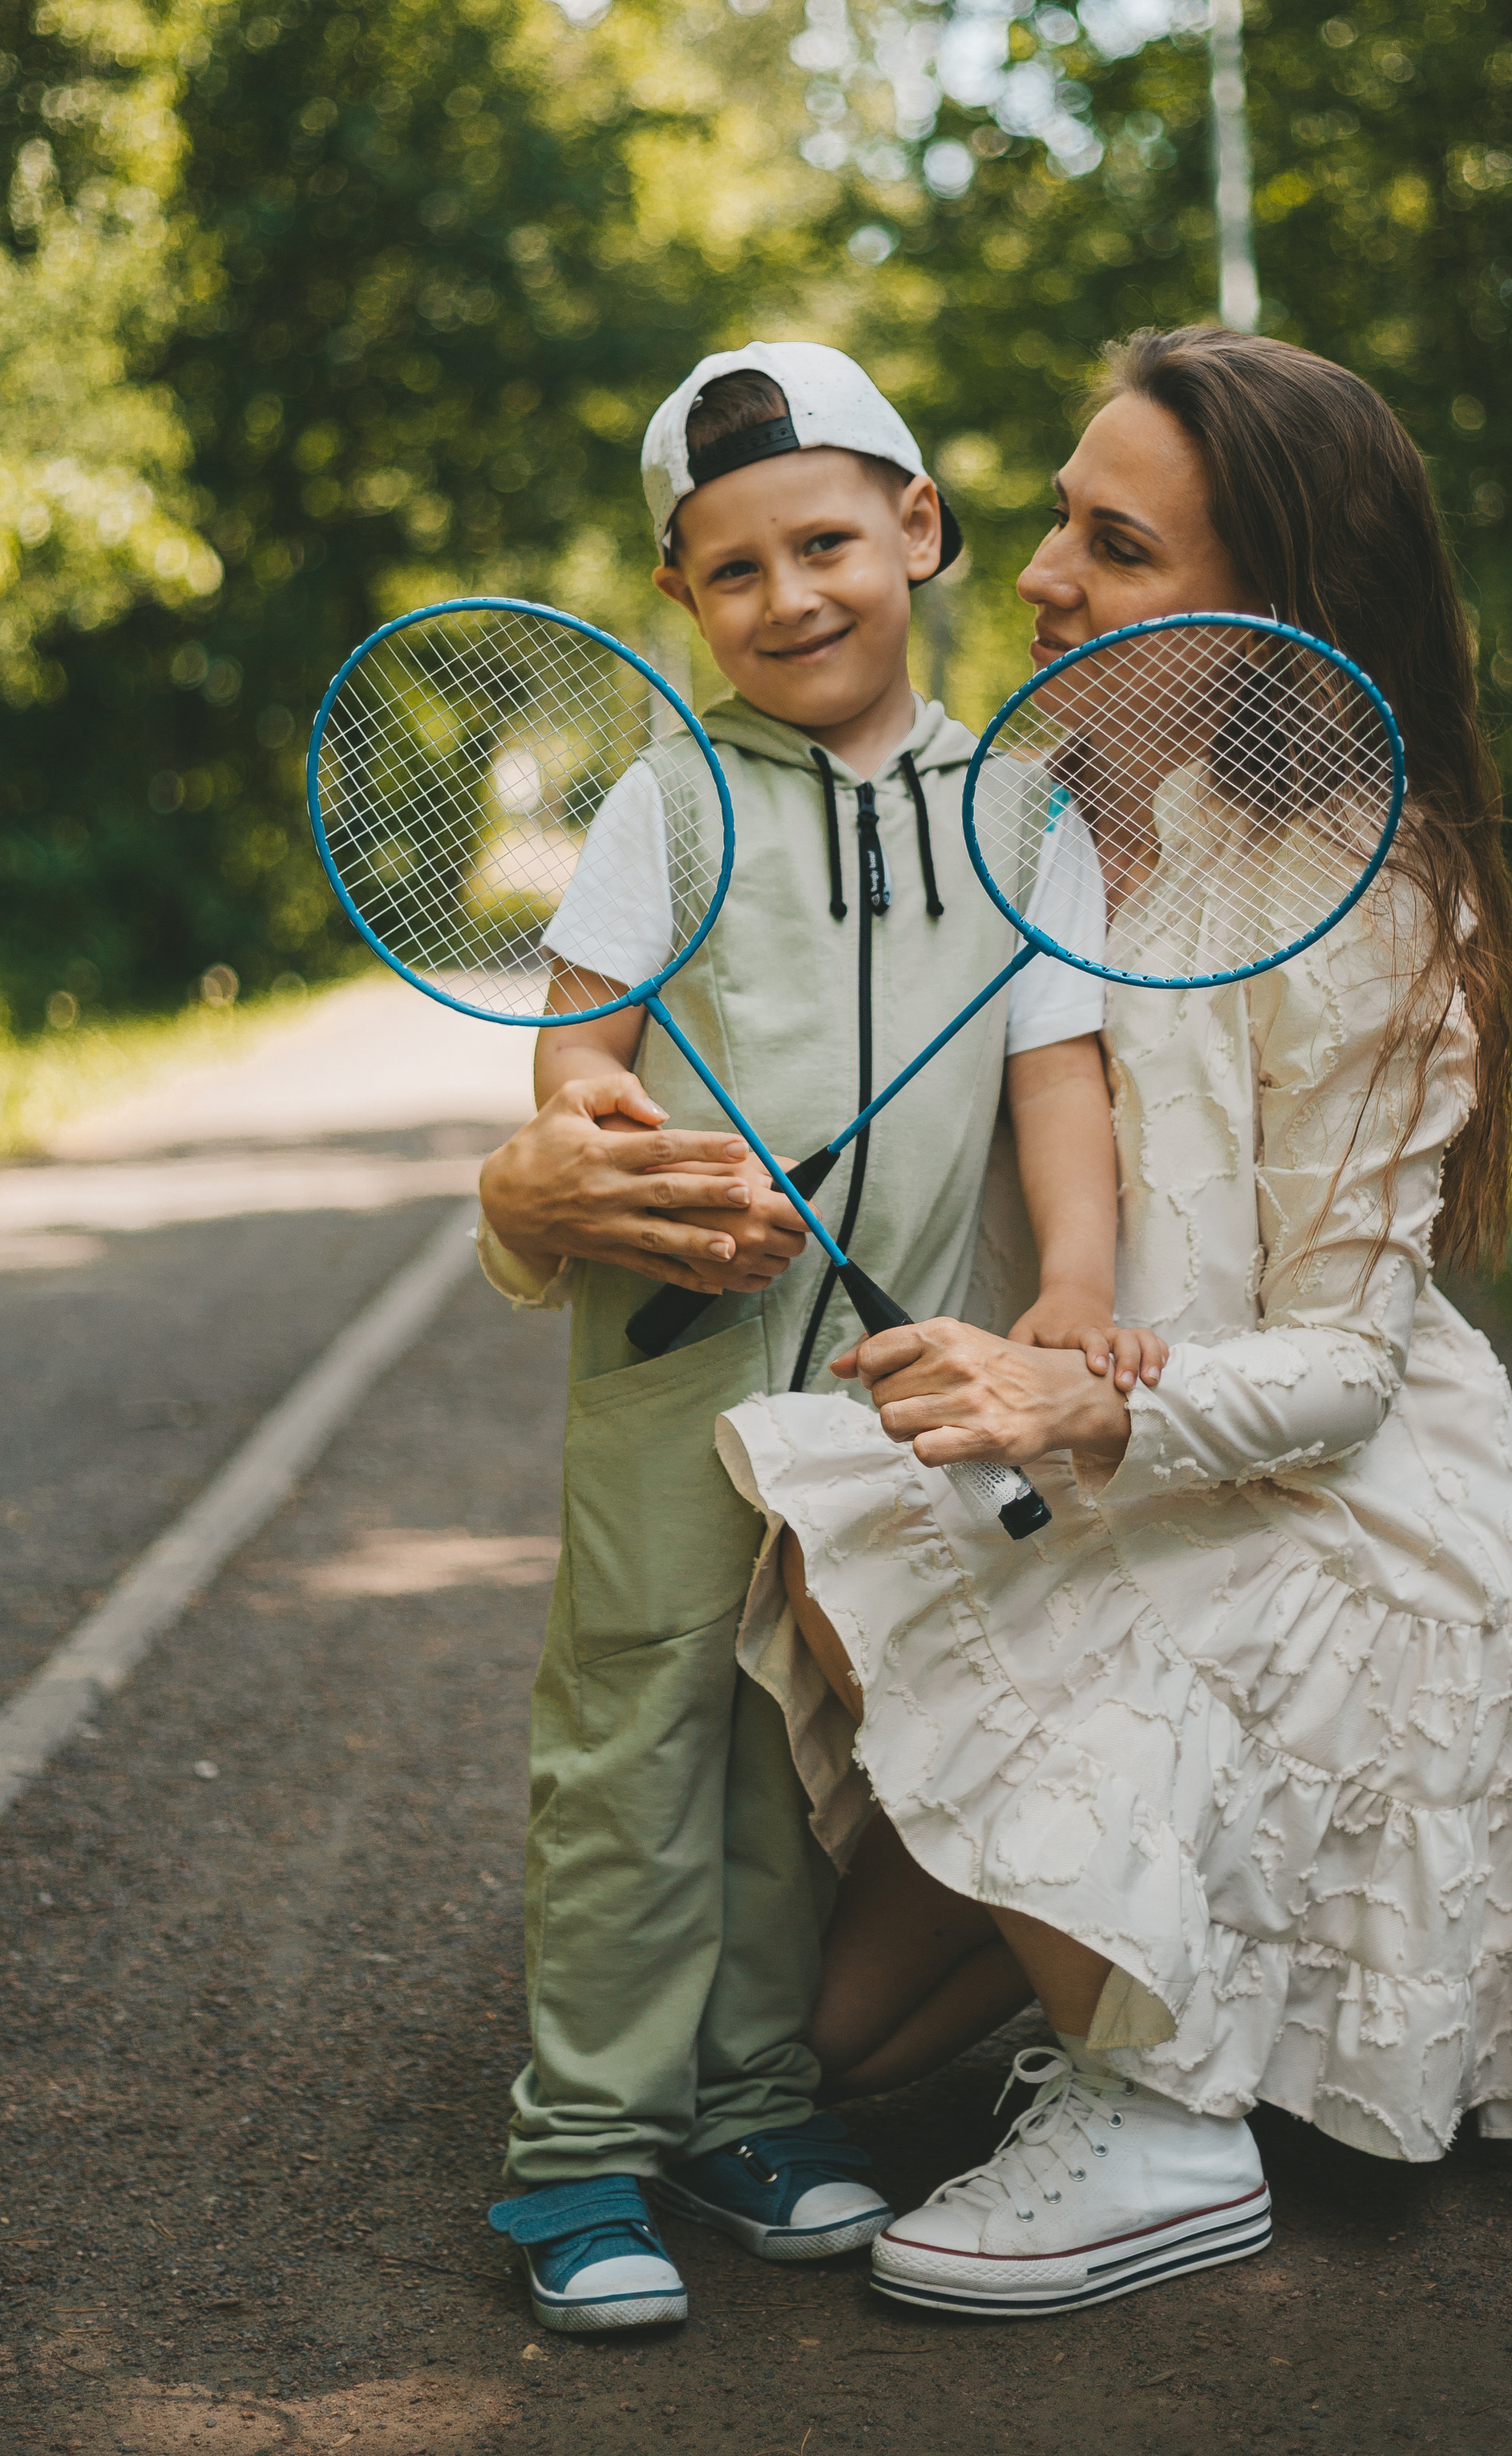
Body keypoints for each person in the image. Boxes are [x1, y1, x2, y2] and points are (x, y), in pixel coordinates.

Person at [712, 326, 1512, 2320]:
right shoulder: (1000, 794)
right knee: (840, 2053)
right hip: (1078, 1453)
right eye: (1060, 515)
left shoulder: (1372, 893)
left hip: (1319, 1510)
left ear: (1271, 621)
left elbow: (1339, 1365)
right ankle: (1170, 1960)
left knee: (853, 1534)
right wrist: (549, 1181)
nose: (1041, 570)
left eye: (1118, 544)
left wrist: (1064, 1407)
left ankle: (1164, 2125)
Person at [476, 342, 1142, 2334]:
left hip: (883, 1376)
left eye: (829, 542)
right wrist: (589, 1134)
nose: (793, 598)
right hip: (675, 1357)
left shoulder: (1027, 818)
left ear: (918, 533)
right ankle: (576, 2152)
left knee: (796, 1743)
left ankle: (747, 2107)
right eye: (735, 569)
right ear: (683, 599)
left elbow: (1059, 1091)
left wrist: (1077, 1289)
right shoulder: (663, 809)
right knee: (635, 1738)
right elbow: (567, 1065)